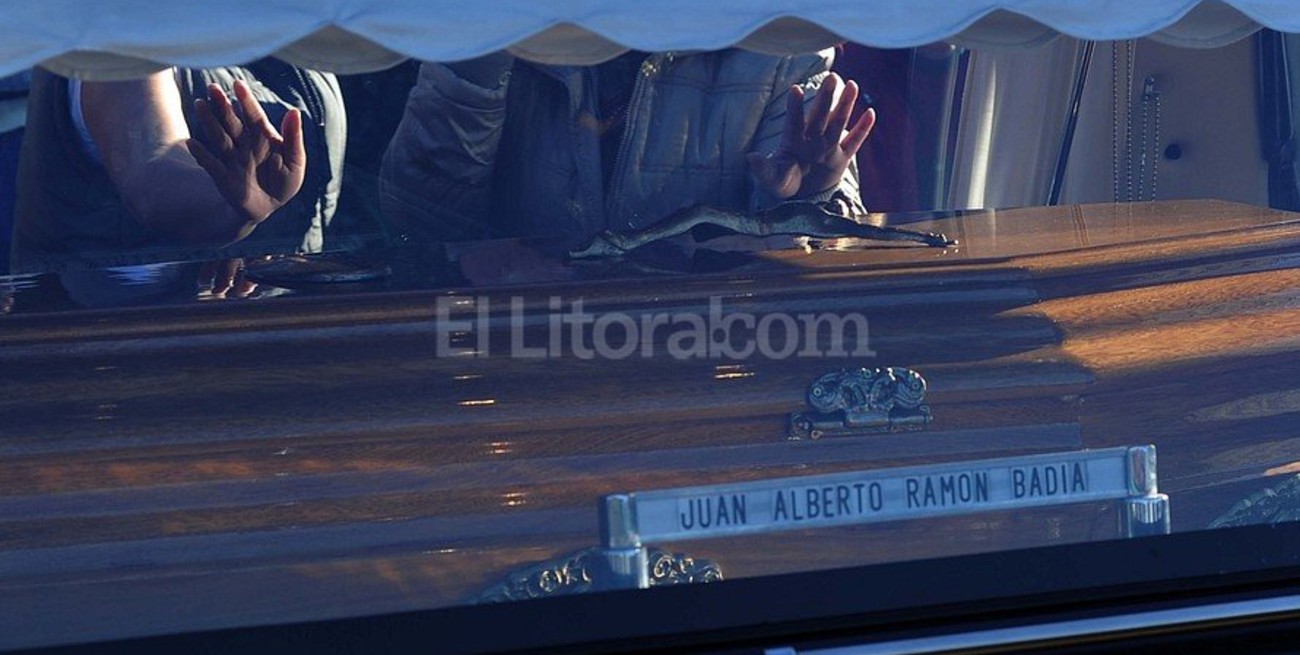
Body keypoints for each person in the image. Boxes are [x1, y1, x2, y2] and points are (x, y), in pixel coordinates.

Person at [380, 49, 874, 249]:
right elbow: (421, 228)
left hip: (699, 360)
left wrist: (813, 195)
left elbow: (813, 270)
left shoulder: (775, 40)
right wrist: (480, 60)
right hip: (519, 350)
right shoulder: (505, 29)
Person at [11, 60, 345, 273]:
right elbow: (156, 168)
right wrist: (235, 208)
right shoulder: (120, 34)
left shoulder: (294, 25)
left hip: (277, 327)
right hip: (135, 346)